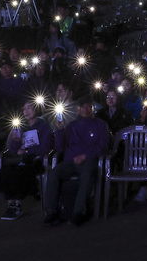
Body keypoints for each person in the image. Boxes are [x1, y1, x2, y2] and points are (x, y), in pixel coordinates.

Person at [42, 94, 108, 227]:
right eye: (82, 107)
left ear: (92, 108)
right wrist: (59, 130)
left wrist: (85, 156)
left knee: (87, 175)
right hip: (70, 161)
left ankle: (79, 211)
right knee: (54, 173)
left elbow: (103, 147)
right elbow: (60, 148)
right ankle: (51, 210)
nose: (85, 109)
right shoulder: (71, 126)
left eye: (88, 107)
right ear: (78, 108)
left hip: (88, 161)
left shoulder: (101, 125)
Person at [0, 101, 53, 220]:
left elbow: (45, 147)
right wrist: (16, 141)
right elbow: (13, 149)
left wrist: (28, 150)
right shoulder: (21, 126)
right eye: (24, 109)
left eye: (29, 108)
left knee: (21, 171)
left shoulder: (44, 126)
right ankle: (10, 204)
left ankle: (18, 204)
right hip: (21, 159)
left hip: (36, 159)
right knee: (5, 171)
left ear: (36, 109)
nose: (26, 111)